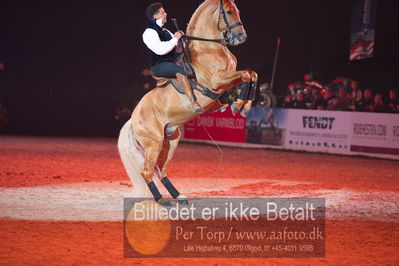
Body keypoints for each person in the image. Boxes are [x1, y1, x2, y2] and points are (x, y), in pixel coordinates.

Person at [142, 2, 202, 113]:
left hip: (173, 62)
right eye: (163, 12)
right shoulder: (149, 32)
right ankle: (193, 102)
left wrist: (180, 41)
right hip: (159, 65)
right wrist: (174, 39)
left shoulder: (165, 31)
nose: (166, 14)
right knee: (181, 71)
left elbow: (177, 49)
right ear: (156, 17)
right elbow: (160, 50)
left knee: (195, 68)